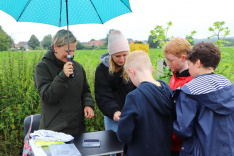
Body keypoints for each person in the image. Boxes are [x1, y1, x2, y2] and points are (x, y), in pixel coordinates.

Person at [173, 42, 234, 156]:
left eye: (189, 64)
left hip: (200, 151)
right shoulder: (228, 85)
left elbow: (183, 130)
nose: (188, 69)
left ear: (198, 63)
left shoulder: (189, 91)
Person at [34, 29, 94, 135]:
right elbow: (48, 97)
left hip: (77, 130)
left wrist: (88, 104)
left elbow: (85, 91)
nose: (70, 55)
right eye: (67, 51)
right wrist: (63, 76)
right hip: (54, 131)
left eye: (73, 51)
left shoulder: (78, 67)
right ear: (55, 47)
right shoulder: (42, 68)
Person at [116, 51, 175, 156]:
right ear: (151, 70)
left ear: (132, 72)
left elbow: (124, 135)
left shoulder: (134, 97)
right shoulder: (168, 90)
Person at [94, 30, 136, 132]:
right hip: (114, 117)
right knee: (115, 145)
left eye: (125, 55)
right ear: (111, 54)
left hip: (133, 115)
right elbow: (103, 96)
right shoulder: (102, 70)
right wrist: (114, 111)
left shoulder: (133, 65)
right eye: (117, 56)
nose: (122, 59)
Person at [163, 37, 193, 156]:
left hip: (182, 142)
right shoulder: (174, 77)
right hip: (170, 137)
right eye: (166, 60)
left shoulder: (191, 81)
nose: (168, 64)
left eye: (171, 60)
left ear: (184, 58)